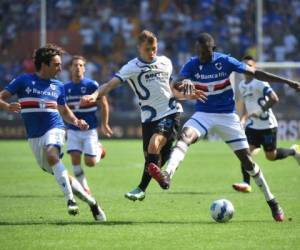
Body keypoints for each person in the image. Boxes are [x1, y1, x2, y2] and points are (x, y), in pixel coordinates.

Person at [147, 33, 300, 222]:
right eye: (198, 51)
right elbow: (177, 82)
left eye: (204, 52)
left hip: (228, 117)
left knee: (248, 162)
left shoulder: (225, 61)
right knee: (185, 136)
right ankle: (167, 175)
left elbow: (256, 73)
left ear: (213, 49)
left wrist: (287, 82)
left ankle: (273, 202)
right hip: (204, 114)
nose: (201, 55)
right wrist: (183, 82)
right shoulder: (192, 63)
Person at [81, 30, 206, 201]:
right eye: (148, 49)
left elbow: (171, 89)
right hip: (148, 118)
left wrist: (186, 96)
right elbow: (110, 85)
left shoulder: (165, 62)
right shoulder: (131, 67)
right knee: (154, 160)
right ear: (139, 47)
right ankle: (162, 178)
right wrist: (95, 95)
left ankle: (141, 189)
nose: (152, 52)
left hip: (170, 112)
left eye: (154, 48)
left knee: (154, 145)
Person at [0, 44, 106, 222]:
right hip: (34, 137)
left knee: (52, 153)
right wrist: (7, 106)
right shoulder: (23, 81)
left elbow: (64, 111)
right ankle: (93, 203)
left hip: (55, 128)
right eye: (56, 64)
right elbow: (1, 97)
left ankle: (70, 200)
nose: (60, 67)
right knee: (60, 171)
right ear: (44, 64)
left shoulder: (58, 85)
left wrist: (76, 121)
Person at [232, 55, 300, 193]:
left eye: (250, 65)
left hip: (267, 126)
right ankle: (246, 183)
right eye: (245, 65)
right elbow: (246, 105)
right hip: (252, 126)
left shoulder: (260, 83)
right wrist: (243, 118)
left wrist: (260, 110)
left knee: (271, 156)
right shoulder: (241, 85)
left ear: (254, 68)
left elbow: (274, 98)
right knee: (245, 153)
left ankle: (294, 151)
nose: (247, 68)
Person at [64, 55, 113, 195]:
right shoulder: (64, 88)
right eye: (75, 65)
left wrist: (104, 124)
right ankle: (84, 188)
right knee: (74, 158)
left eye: (80, 65)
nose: (78, 68)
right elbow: (62, 109)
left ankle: (99, 149)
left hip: (89, 130)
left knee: (90, 163)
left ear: (84, 68)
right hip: (73, 129)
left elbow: (104, 104)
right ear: (70, 68)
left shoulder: (92, 85)